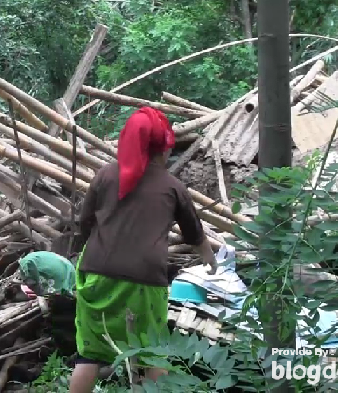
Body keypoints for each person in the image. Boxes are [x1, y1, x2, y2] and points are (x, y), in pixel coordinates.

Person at [69, 107, 218, 392]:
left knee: (90, 353)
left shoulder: (105, 176)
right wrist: (210, 259)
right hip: (145, 281)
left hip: (97, 273)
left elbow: (85, 222)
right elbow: (194, 233)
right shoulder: (172, 187)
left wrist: (83, 253)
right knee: (152, 350)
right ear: (163, 150)